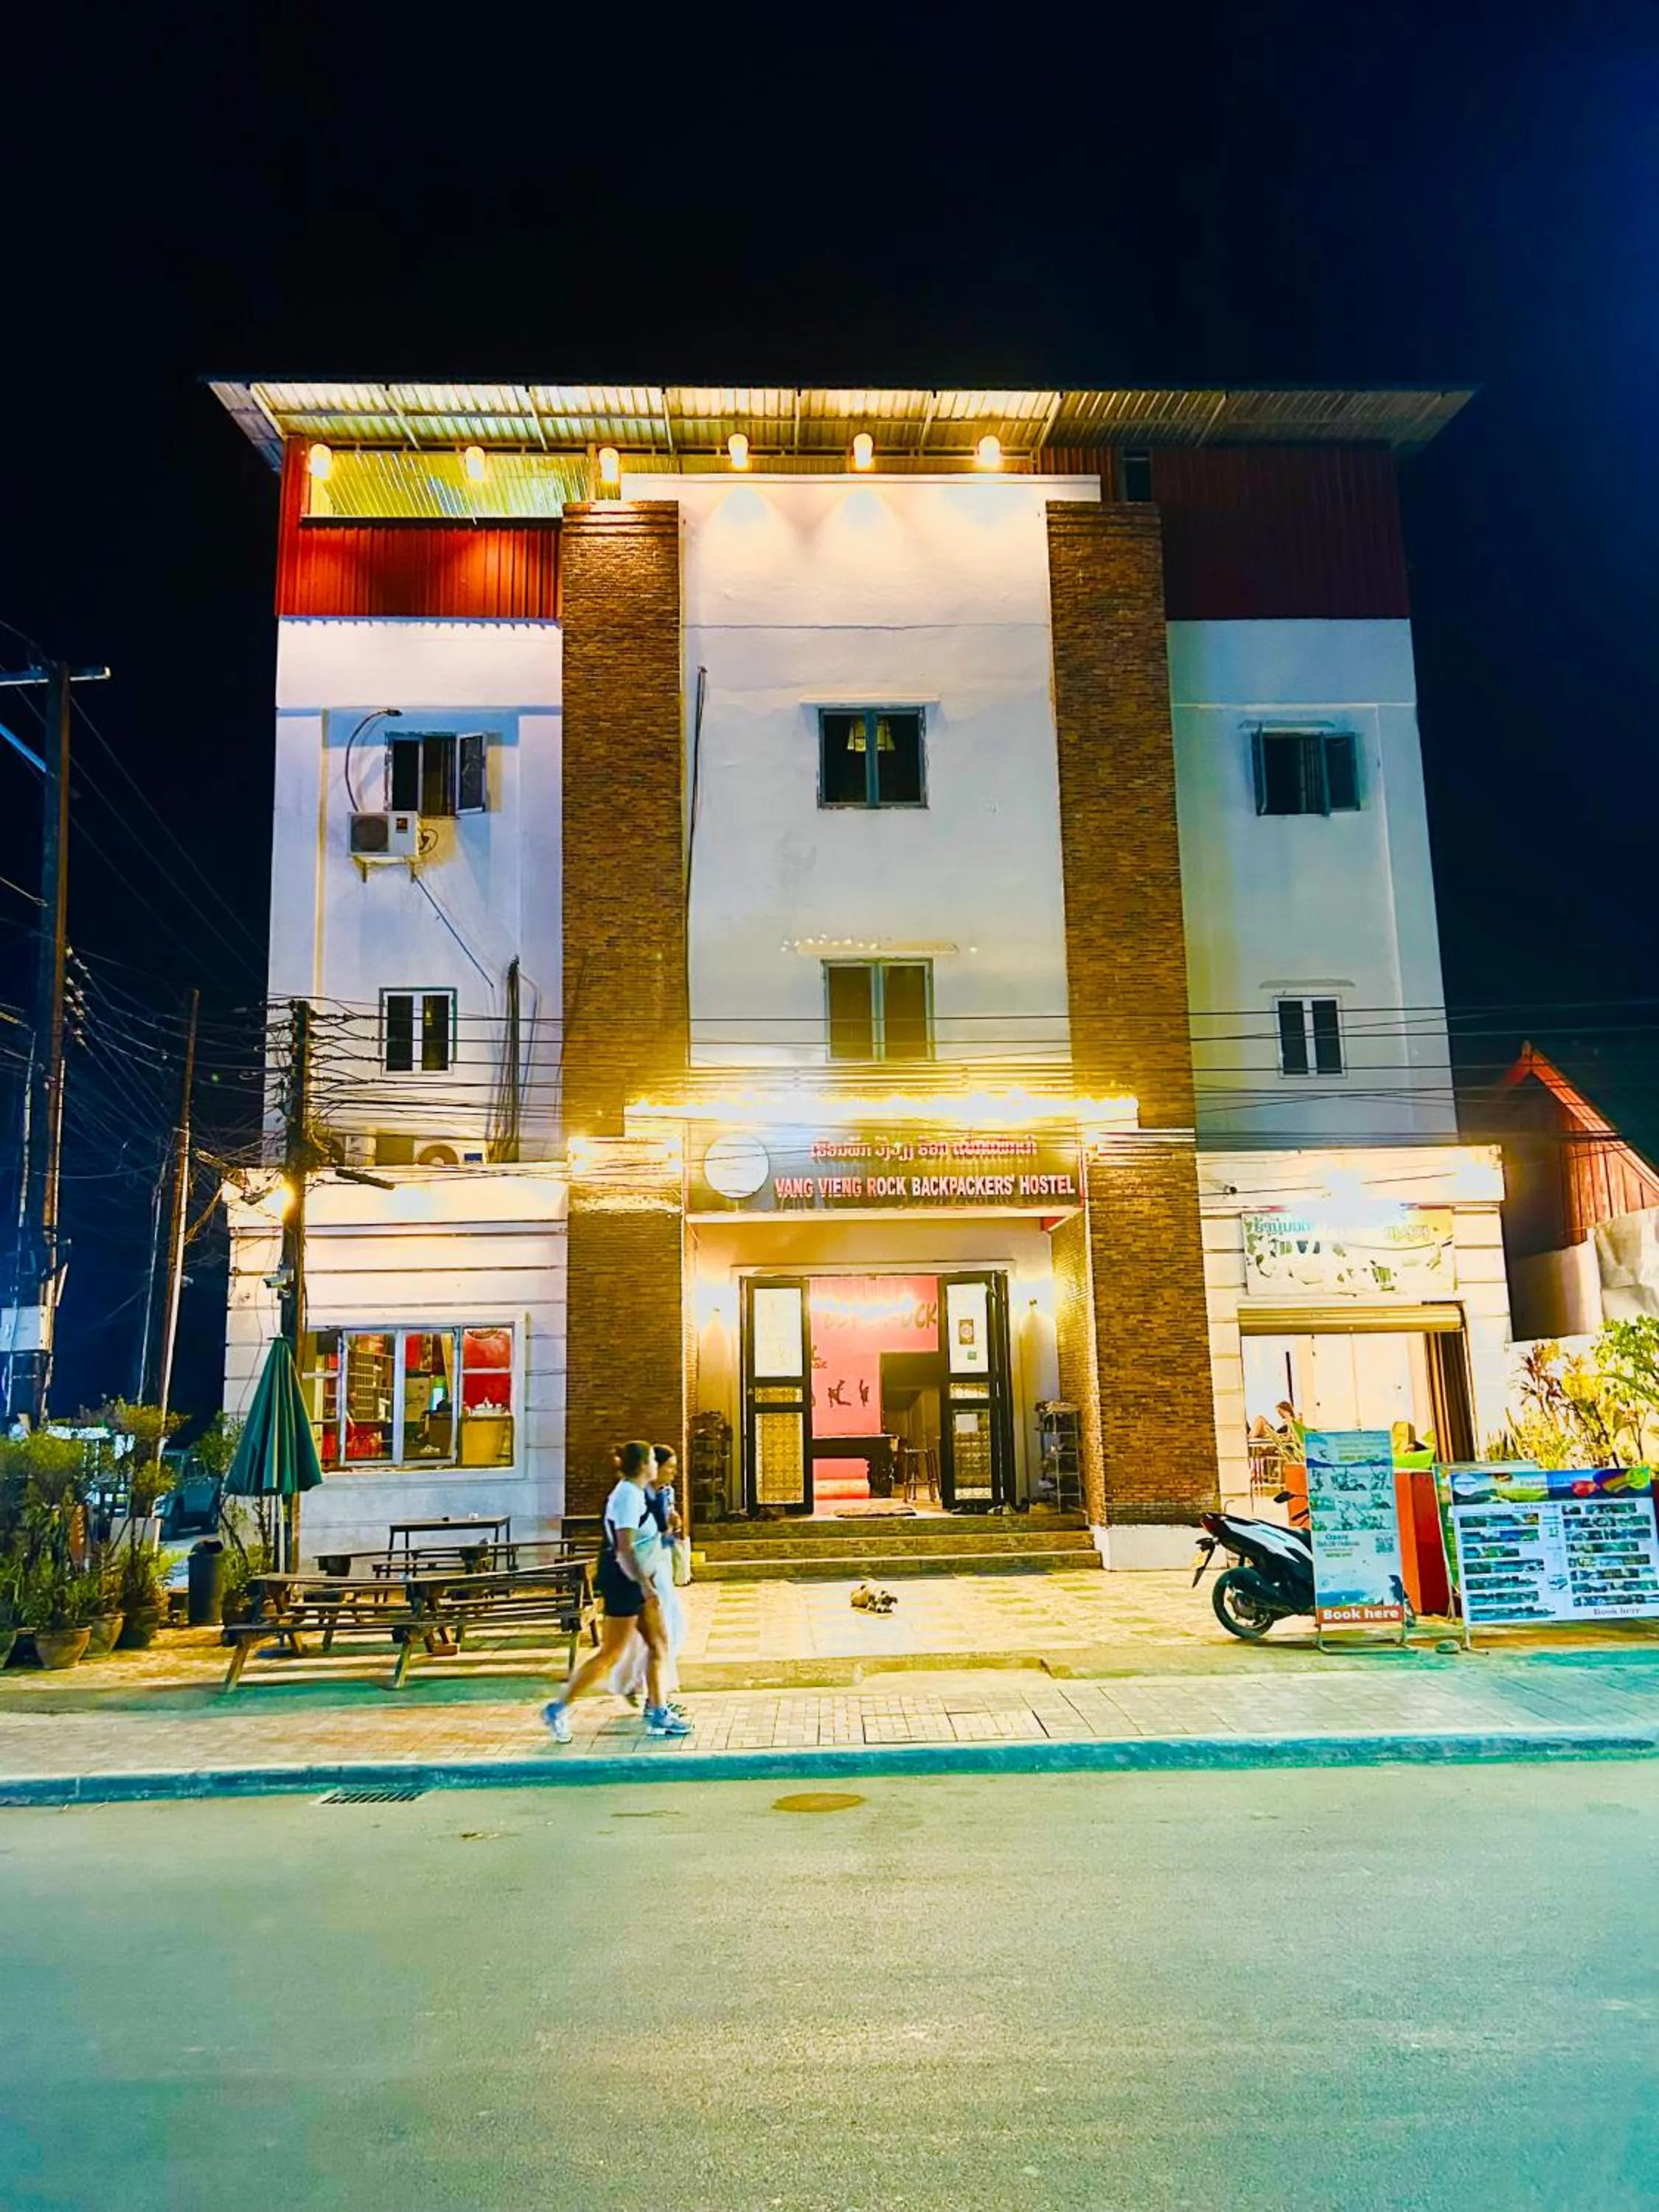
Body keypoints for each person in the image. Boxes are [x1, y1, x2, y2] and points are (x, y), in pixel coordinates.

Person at [543, 1440, 691, 1742]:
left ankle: (658, 1710)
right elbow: (624, 1548)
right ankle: (558, 1708)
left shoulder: (638, 1494)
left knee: (659, 1644)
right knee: (611, 1652)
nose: (657, 1466)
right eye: (653, 1460)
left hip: (636, 1576)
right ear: (642, 1466)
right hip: (624, 1578)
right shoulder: (626, 1496)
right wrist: (643, 1584)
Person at [609, 1446, 686, 1708]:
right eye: (668, 1466)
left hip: (657, 1564)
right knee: (658, 1637)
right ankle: (648, 1694)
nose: (672, 1473)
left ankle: (653, 1693)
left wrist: (674, 1525)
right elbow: (628, 1542)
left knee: (663, 1635)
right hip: (646, 1571)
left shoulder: (663, 1494)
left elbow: (660, 1534)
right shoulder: (636, 1495)